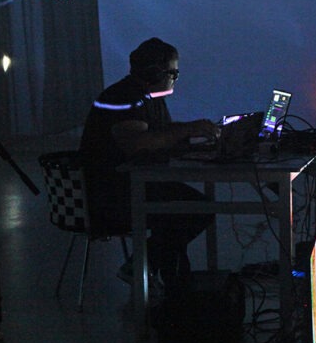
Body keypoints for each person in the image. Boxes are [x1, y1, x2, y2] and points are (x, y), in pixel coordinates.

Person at [78, 37, 217, 294]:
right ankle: (144, 267)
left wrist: (197, 137)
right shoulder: (122, 98)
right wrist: (189, 131)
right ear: (155, 72)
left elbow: (161, 134)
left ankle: (169, 282)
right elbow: (139, 143)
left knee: (189, 208)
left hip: (130, 186)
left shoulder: (146, 97)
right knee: (196, 209)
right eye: (173, 73)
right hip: (113, 196)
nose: (175, 78)